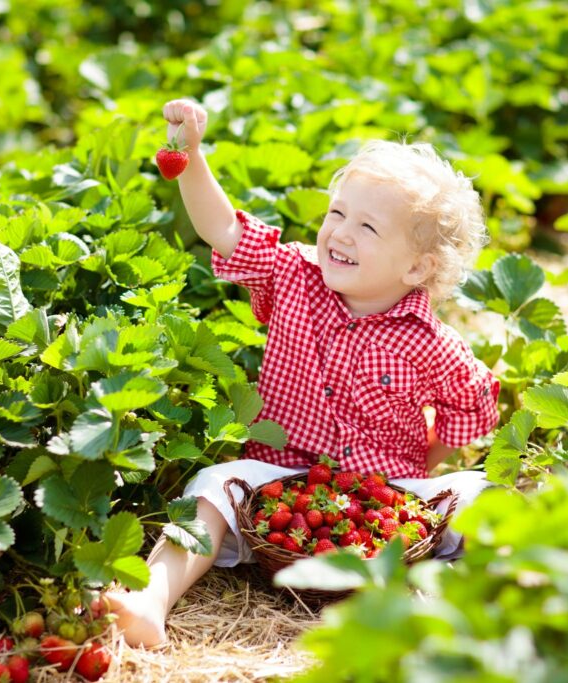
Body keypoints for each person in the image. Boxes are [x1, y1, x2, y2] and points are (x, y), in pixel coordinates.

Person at [91, 98, 500, 648]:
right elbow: (222, 228)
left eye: (367, 226)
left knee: (483, 494)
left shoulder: (432, 344)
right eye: (337, 213)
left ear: (417, 267)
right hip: (279, 484)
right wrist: (189, 151)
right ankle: (151, 601)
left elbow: (471, 410)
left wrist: (424, 470)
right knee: (213, 487)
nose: (340, 232)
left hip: (388, 497)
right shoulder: (293, 276)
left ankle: (514, 591)